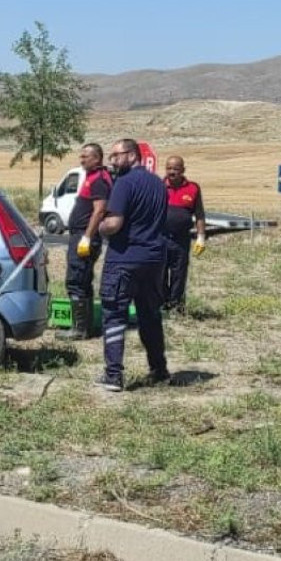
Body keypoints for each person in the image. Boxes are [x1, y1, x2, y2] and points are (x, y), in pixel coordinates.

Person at [95, 139, 169, 392]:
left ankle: (113, 375)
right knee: (150, 315)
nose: (112, 161)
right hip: (155, 258)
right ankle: (159, 369)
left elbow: (114, 223)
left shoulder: (124, 184)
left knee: (114, 314)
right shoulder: (158, 184)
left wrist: (99, 228)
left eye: (116, 156)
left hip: (125, 259)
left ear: (131, 155)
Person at [57, 143, 112, 341]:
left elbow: (99, 210)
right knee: (83, 281)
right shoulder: (91, 176)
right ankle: (86, 327)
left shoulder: (98, 180)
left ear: (97, 158)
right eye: (81, 156)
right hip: (79, 234)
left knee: (76, 280)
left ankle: (79, 329)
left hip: (84, 236)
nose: (81, 160)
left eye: (85, 157)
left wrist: (87, 237)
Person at [162, 156, 207, 312]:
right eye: (169, 168)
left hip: (181, 240)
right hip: (160, 239)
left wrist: (201, 237)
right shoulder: (159, 186)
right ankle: (162, 305)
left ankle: (176, 307)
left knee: (179, 274)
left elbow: (200, 214)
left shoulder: (193, 188)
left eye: (175, 169)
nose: (171, 172)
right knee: (159, 274)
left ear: (183, 170)